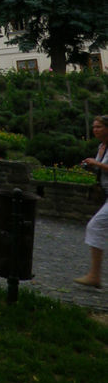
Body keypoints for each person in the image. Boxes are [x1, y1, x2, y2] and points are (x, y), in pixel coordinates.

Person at [75, 115, 108, 288]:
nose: (95, 130)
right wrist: (92, 165)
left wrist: (97, 163)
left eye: (99, 127)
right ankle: (94, 275)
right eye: (94, 127)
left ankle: (94, 276)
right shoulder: (101, 147)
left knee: (95, 226)